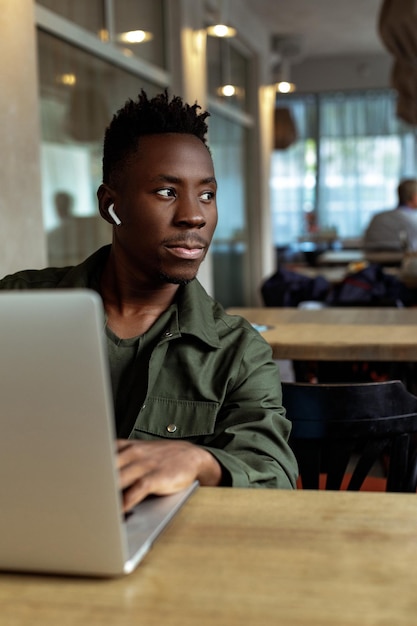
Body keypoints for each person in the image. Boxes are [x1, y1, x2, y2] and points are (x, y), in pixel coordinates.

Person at [0, 90, 297, 510]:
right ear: (110, 205)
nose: (194, 215)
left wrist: (200, 460)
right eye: (166, 192)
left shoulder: (237, 351)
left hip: (171, 557)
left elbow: (276, 476)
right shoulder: (16, 306)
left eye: (207, 195)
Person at [363, 178, 417, 252]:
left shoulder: (377, 217)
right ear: (414, 197)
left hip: (372, 262)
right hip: (405, 262)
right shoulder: (413, 220)